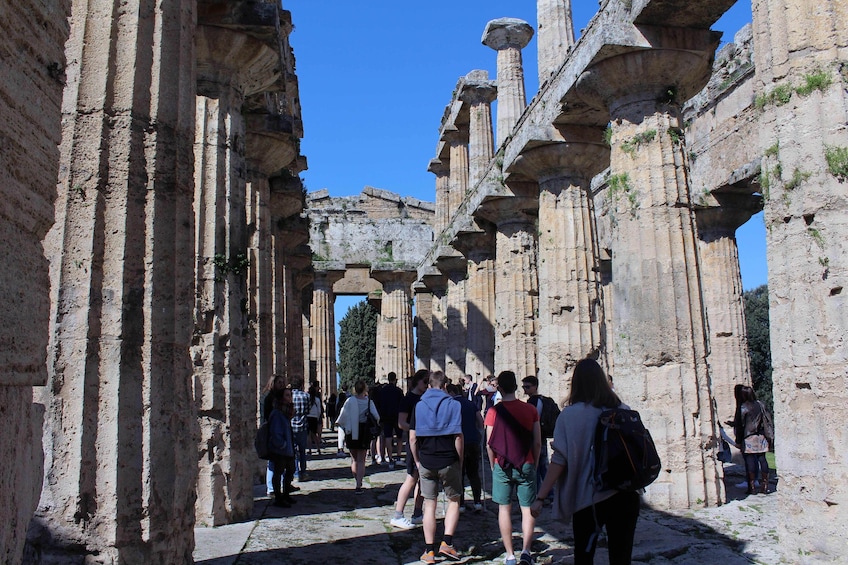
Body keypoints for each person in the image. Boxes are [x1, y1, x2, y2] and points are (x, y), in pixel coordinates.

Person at [531, 358, 640, 565]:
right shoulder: (623, 408)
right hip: (625, 494)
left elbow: (559, 461)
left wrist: (540, 496)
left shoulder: (570, 415)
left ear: (576, 383)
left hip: (589, 499)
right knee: (621, 558)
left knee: (584, 556)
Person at [485, 371, 541, 565]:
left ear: (499, 388)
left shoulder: (493, 411)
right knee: (527, 509)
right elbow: (537, 442)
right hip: (526, 462)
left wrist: (493, 464)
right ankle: (526, 551)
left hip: (502, 463)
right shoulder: (530, 410)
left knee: (504, 509)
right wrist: (534, 461)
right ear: (516, 387)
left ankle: (510, 555)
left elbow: (489, 444)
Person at [410, 371, 464, 563]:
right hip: (448, 458)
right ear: (445, 386)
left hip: (426, 459)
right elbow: (458, 436)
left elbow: (412, 437)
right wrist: (460, 459)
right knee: (454, 501)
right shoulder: (454, 404)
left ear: (429, 385)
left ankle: (429, 551)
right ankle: (447, 543)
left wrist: (417, 460)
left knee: (429, 505)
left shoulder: (419, 405)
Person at [390, 369, 429, 530]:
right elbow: (401, 423)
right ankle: (398, 515)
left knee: (422, 479)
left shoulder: (424, 398)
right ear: (417, 381)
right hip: (415, 444)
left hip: (425, 443)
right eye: (425, 382)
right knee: (411, 478)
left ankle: (417, 513)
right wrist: (418, 429)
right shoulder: (408, 399)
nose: (427, 385)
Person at [335, 380, 380, 493]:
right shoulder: (369, 402)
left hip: (351, 432)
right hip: (364, 432)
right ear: (365, 389)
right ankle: (359, 484)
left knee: (354, 460)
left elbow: (342, 415)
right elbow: (376, 416)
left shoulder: (349, 401)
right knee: (361, 460)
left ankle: (357, 481)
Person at [448, 383, 484, 511]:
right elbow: (480, 421)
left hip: (457, 441)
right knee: (474, 473)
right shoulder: (470, 404)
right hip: (472, 441)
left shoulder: (451, 405)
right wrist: (479, 434)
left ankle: (461, 503)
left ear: (451, 392)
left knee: (459, 473)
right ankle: (477, 501)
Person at [735, 386, 774, 494]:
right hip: (761, 435)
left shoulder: (743, 407)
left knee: (750, 460)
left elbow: (740, 425)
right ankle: (765, 485)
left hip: (749, 436)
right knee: (762, 459)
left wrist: (738, 440)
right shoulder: (760, 404)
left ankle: (751, 486)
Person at [522, 375, 554, 495]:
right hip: (542, 436)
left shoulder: (533, 402)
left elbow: (532, 421)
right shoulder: (541, 400)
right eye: (523, 387)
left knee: (535, 467)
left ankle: (538, 493)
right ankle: (549, 494)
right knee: (543, 467)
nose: (525, 389)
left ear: (535, 387)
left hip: (535, 437)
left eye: (527, 387)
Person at [268, 388, 297, 508]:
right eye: (287, 395)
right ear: (281, 398)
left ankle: (286, 494)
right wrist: (282, 444)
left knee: (291, 470)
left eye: (290, 395)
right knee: (278, 472)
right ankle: (278, 497)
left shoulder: (286, 412)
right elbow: (275, 432)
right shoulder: (277, 413)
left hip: (288, 448)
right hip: (280, 449)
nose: (289, 397)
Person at [262, 375, 287, 496]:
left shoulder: (280, 397)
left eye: (283, 382)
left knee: (281, 460)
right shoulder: (269, 398)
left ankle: (279, 485)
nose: (282, 384)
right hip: (273, 431)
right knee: (273, 460)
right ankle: (271, 487)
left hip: (281, 431)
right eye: (279, 382)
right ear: (273, 383)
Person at [379, 372, 405, 469]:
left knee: (388, 437)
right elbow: (402, 403)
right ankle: (398, 457)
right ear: (395, 379)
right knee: (399, 437)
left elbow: (380, 403)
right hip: (397, 416)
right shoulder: (398, 391)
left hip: (386, 416)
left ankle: (390, 458)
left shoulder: (383, 391)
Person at [290, 378, 310, 481]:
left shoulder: (290, 396)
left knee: (293, 451)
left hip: (292, 426)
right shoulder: (306, 396)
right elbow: (308, 410)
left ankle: (296, 473)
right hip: (303, 426)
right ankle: (304, 472)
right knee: (302, 451)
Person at [307, 382, 324, 455]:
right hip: (314, 417)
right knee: (314, 434)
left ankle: (310, 450)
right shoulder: (317, 399)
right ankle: (318, 448)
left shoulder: (307, 398)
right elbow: (319, 410)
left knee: (309, 435)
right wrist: (317, 417)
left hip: (308, 417)